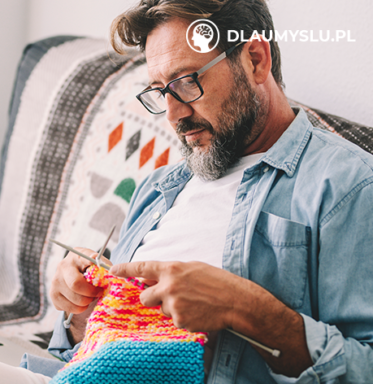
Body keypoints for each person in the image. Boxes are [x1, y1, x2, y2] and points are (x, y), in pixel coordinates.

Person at [48, 0, 373, 382]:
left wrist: (245, 309)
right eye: (159, 91)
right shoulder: (157, 189)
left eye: (186, 82)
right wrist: (81, 312)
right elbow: (94, 353)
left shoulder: (347, 186)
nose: (173, 114)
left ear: (255, 60)